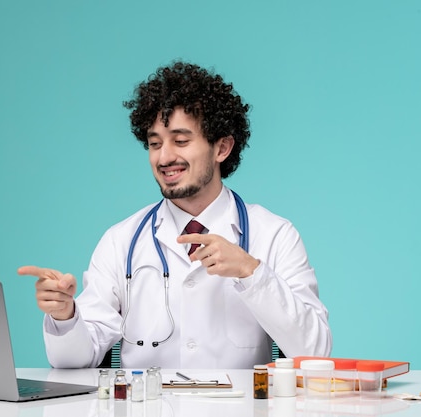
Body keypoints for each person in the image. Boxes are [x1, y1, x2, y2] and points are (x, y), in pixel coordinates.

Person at [18, 61, 332, 369]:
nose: (165, 157)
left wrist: (252, 272)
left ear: (222, 148)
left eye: (181, 141)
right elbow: (74, 359)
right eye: (155, 144)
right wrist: (65, 315)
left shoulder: (274, 235)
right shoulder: (121, 241)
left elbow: (315, 351)